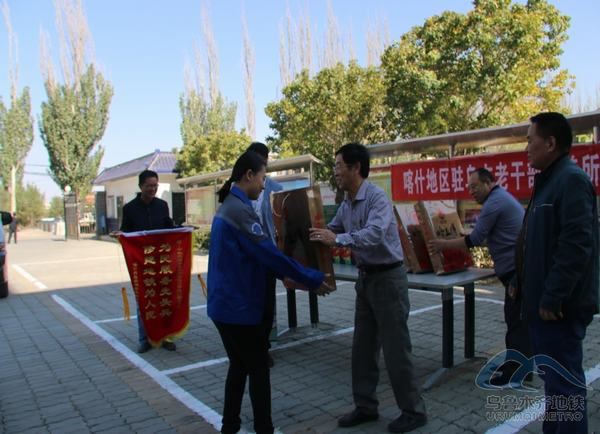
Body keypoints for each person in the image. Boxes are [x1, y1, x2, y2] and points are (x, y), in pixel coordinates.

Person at [207, 151, 328, 434]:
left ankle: (230, 426)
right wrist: (312, 278)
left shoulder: (229, 206)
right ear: (249, 175)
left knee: (239, 366)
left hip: (224, 306)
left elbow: (256, 258)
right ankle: (264, 428)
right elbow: (269, 255)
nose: (264, 185)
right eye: (262, 177)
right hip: (238, 309)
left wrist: (289, 275)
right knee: (258, 369)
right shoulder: (239, 211)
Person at [309, 143, 427, 433]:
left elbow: (374, 234)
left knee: (396, 350)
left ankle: (413, 411)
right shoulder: (347, 202)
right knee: (362, 347)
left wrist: (337, 239)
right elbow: (333, 229)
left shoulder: (376, 198)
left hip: (388, 280)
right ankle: (365, 406)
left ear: (355, 168)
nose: (335, 171)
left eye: (339, 165)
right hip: (366, 280)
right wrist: (311, 232)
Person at [514, 112, 598, 433]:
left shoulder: (571, 181)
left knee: (565, 389)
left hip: (558, 310)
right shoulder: (548, 182)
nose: (526, 148)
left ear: (550, 143)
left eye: (530, 140)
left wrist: (553, 296)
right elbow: (535, 244)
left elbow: (576, 246)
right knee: (555, 387)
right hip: (542, 306)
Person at [428, 168, 531, 386]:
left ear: (488, 183)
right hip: (518, 268)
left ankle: (515, 373)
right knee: (518, 321)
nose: (471, 191)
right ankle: (519, 366)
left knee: (516, 322)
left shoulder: (494, 203)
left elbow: (474, 240)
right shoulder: (500, 198)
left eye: (474, 186)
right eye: (469, 188)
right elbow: (482, 236)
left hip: (517, 270)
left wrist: (442, 245)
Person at [120, 169, 177, 354]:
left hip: (161, 260)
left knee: (165, 299)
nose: (152, 189)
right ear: (140, 186)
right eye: (149, 186)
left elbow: (169, 227)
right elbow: (125, 232)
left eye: (155, 186)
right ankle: (144, 339)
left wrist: (182, 229)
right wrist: (120, 236)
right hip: (141, 262)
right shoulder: (129, 208)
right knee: (144, 300)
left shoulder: (162, 205)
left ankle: (166, 337)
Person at [246, 142, 283, 368]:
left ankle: (264, 347)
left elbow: (282, 223)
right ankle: (251, 344)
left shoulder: (276, 189)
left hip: (267, 254)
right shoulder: (239, 188)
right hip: (246, 257)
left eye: (262, 160)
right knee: (250, 301)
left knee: (267, 303)